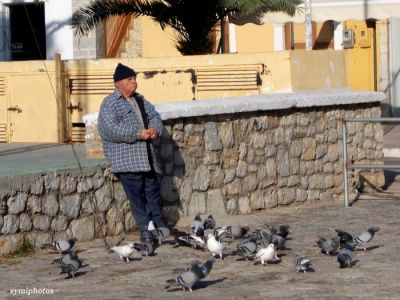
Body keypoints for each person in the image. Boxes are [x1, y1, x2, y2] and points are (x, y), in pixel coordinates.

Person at [98, 63, 169, 253]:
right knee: (136, 197)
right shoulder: (110, 103)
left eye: (134, 79)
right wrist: (138, 134)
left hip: (147, 158)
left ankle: (158, 225)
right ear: (118, 83)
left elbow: (154, 116)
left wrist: (154, 129)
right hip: (127, 160)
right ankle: (146, 230)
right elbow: (110, 129)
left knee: (152, 191)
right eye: (130, 79)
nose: (134, 82)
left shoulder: (140, 100)